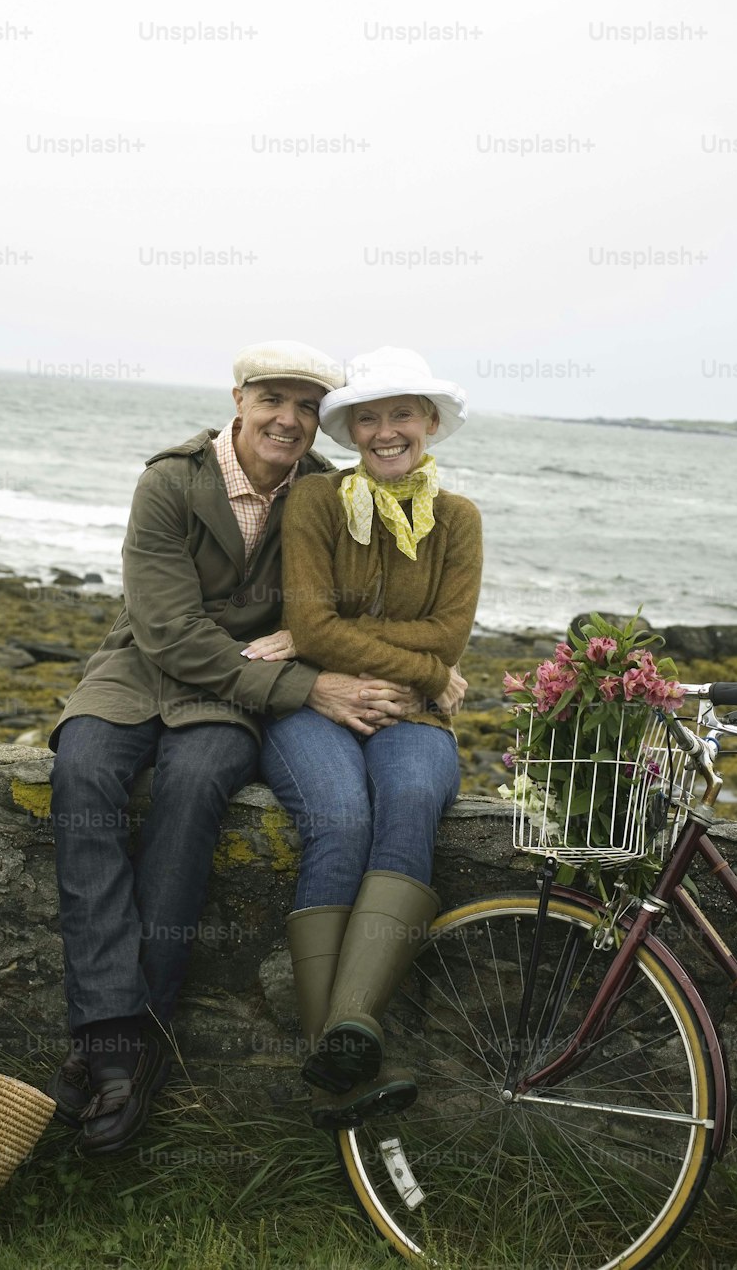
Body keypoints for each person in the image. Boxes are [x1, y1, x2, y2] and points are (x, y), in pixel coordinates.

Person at [45, 340, 421, 1154]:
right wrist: (305, 686)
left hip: (233, 696)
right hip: (143, 671)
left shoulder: (329, 492)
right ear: (239, 399)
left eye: (306, 406)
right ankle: (118, 1029)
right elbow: (169, 630)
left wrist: (310, 638)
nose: (288, 419)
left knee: (194, 789)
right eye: (272, 400)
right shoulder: (171, 480)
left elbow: (354, 597)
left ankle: (123, 1043)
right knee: (80, 771)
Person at [257, 346, 483, 1127]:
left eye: (402, 414)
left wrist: (409, 664)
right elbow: (309, 623)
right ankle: (336, 1045)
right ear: (351, 429)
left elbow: (449, 639)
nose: (386, 431)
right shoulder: (318, 502)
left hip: (414, 713)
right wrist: (410, 660)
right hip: (310, 705)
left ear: (429, 424)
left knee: (414, 793)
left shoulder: (458, 520)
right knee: (339, 816)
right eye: (370, 417)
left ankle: (351, 1022)